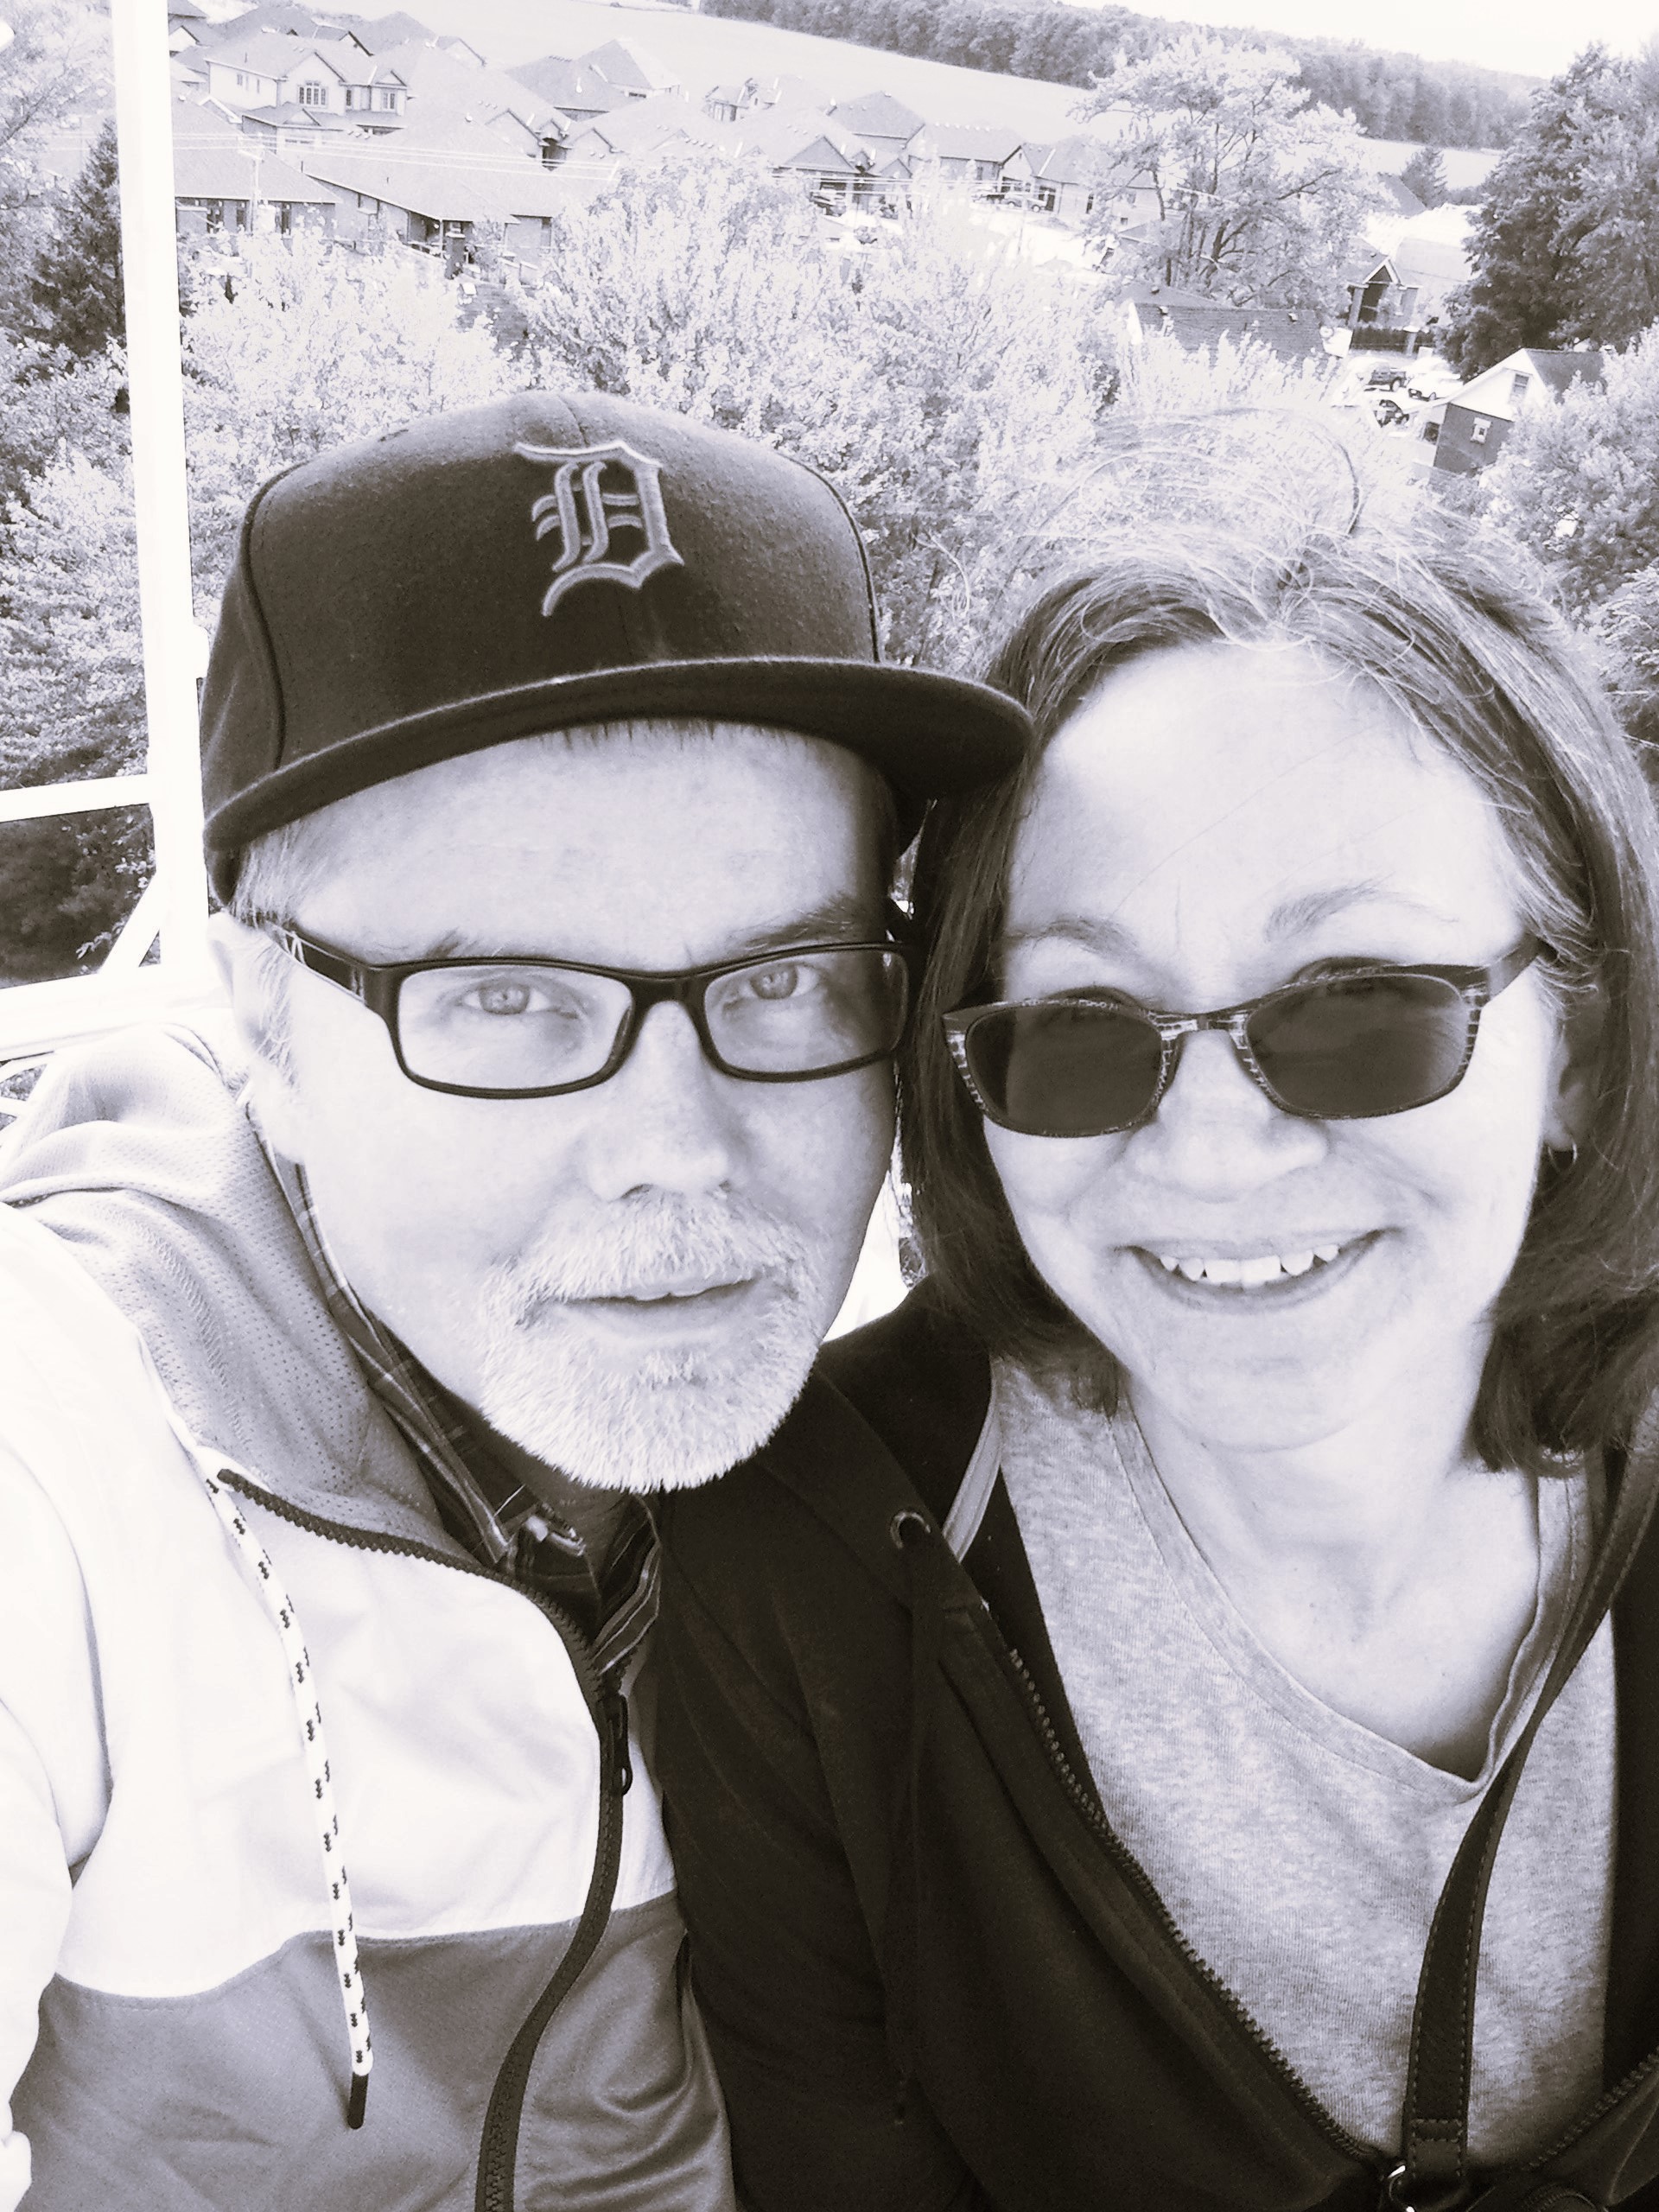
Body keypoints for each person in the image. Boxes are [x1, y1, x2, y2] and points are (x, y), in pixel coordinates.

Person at [0, 391, 1026, 2211]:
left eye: (785, 977)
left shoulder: (935, 1459)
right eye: (507, 1000)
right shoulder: (58, 1459)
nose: (677, 1151)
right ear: (263, 1022)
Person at [652, 512, 1659, 2211]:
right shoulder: (805, 1566)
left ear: (1579, 1045)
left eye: (1359, 1003)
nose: (1212, 1150)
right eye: (1081, 1028)